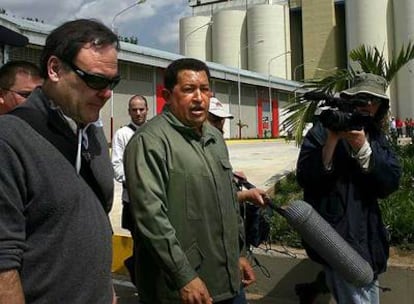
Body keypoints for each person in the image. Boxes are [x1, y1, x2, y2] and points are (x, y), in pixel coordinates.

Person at [0, 19, 120, 303]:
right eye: (94, 80)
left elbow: (92, 218)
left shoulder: (91, 133)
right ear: (54, 69)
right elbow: (3, 262)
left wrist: (107, 289)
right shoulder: (9, 140)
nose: (106, 93)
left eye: (112, 82)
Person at [124, 58, 255, 304]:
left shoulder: (215, 138)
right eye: (188, 90)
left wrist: (239, 253)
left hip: (229, 283)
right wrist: (183, 276)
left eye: (204, 89)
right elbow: (151, 219)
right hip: (184, 290)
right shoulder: (150, 142)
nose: (199, 98)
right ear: (167, 95)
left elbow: (228, 203)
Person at [296, 73, 401, 304]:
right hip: (338, 239)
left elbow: (390, 181)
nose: (368, 106)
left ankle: (315, 287)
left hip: (368, 238)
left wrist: (362, 146)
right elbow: (306, 177)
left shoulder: (373, 136)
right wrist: (332, 140)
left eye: (375, 101)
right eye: (362, 99)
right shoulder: (322, 132)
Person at [111, 94, 148, 285]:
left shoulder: (154, 132)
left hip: (155, 199)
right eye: (134, 109)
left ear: (147, 110)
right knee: (140, 245)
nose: (138, 113)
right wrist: (137, 180)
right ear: (129, 112)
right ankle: (140, 280)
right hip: (133, 200)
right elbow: (116, 167)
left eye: (141, 109)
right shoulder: (122, 134)